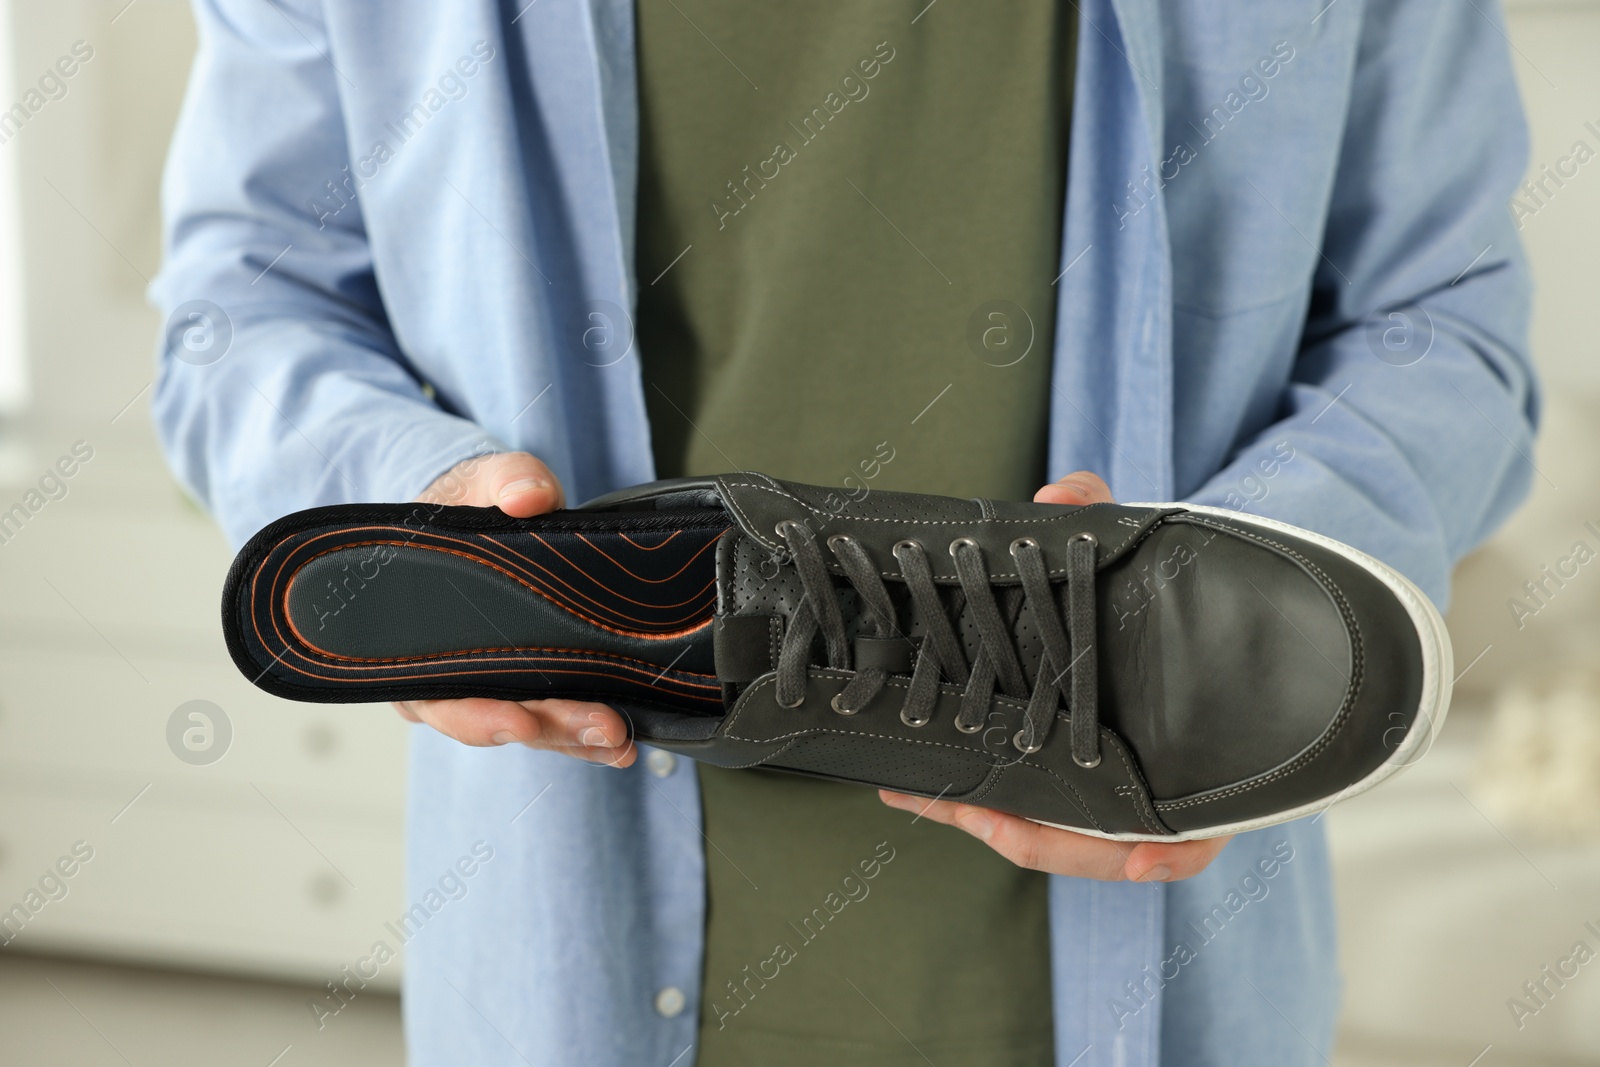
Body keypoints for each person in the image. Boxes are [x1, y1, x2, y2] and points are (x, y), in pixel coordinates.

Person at [150, 2, 1538, 1064]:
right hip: (570, 957)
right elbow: (238, 307)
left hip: (1144, 958)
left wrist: (1243, 582)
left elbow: (1447, 321)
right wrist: (425, 492)